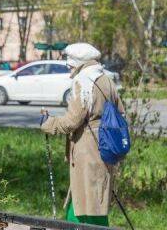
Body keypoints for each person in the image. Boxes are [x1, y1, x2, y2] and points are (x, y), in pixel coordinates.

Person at [40, 43, 124, 226]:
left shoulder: (83, 82)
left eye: (70, 62)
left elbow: (72, 121)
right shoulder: (106, 79)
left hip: (87, 151)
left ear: (79, 63)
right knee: (95, 198)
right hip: (105, 147)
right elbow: (121, 112)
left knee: (85, 200)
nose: (68, 66)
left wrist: (48, 123)